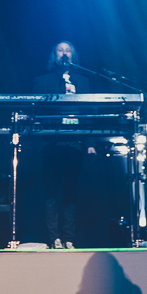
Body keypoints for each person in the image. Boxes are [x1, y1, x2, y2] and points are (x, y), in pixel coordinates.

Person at [32, 42, 93, 246]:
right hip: (51, 142)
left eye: (68, 50)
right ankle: (54, 237)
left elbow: (88, 113)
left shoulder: (82, 80)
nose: (64, 53)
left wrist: (89, 141)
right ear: (54, 56)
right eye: (60, 50)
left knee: (70, 192)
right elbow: (36, 112)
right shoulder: (42, 81)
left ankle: (68, 238)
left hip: (74, 141)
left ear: (73, 55)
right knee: (51, 192)